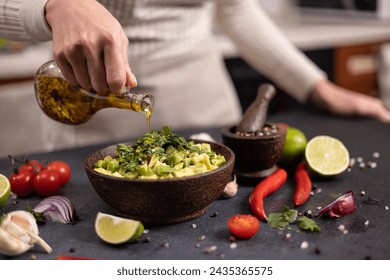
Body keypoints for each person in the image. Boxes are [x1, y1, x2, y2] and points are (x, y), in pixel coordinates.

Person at [1, 0, 389, 153]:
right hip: (90, 94)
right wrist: (53, 5)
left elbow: (234, 8)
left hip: (202, 95)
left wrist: (317, 87)